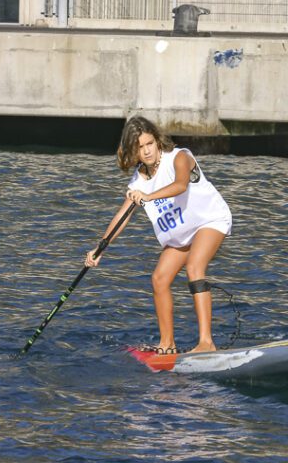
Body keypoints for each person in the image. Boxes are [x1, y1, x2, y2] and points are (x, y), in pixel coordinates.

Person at [85, 116, 232, 353]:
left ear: (157, 140)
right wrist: (100, 247)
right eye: (140, 147)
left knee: (194, 267)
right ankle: (167, 344)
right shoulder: (138, 182)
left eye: (149, 144)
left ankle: (206, 343)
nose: (147, 151)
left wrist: (148, 197)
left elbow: (181, 185)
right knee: (159, 278)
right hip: (182, 234)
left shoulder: (179, 157)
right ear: (133, 151)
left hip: (210, 219)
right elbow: (122, 217)